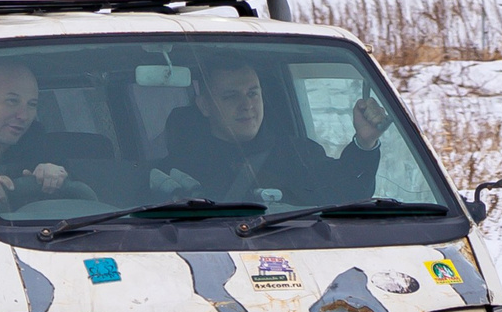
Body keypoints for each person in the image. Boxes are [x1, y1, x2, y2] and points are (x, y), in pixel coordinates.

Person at [159, 60, 388, 205]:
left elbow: (349, 196)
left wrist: (364, 144)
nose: (247, 105)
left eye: (252, 93)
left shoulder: (298, 154)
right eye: (231, 96)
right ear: (204, 106)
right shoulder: (177, 172)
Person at [0, 58, 102, 211]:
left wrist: (57, 176)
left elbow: (83, 200)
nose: (24, 116)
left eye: (32, 104)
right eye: (12, 101)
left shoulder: (38, 143)